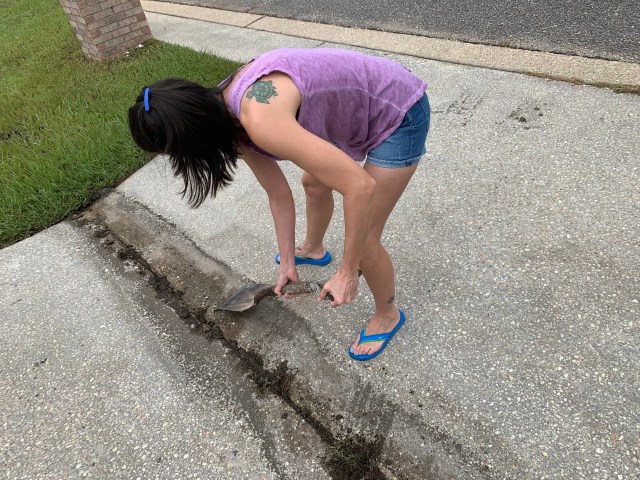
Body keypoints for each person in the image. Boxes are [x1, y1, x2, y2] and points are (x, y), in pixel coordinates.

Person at [128, 47, 430, 361]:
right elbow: (278, 193)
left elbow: (360, 187)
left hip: (398, 110)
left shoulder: (259, 118)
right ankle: (313, 249)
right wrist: (287, 262)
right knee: (314, 183)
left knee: (365, 244)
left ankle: (388, 314)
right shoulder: (223, 113)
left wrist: (347, 271)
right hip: (355, 109)